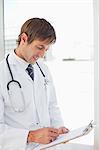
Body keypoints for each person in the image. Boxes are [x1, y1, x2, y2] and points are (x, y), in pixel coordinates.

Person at [0, 18, 69, 150]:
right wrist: (31, 136)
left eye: (46, 49)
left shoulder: (43, 69)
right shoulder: (1, 73)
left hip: (49, 147)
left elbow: (52, 106)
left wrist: (59, 128)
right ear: (23, 39)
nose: (42, 54)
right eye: (40, 47)